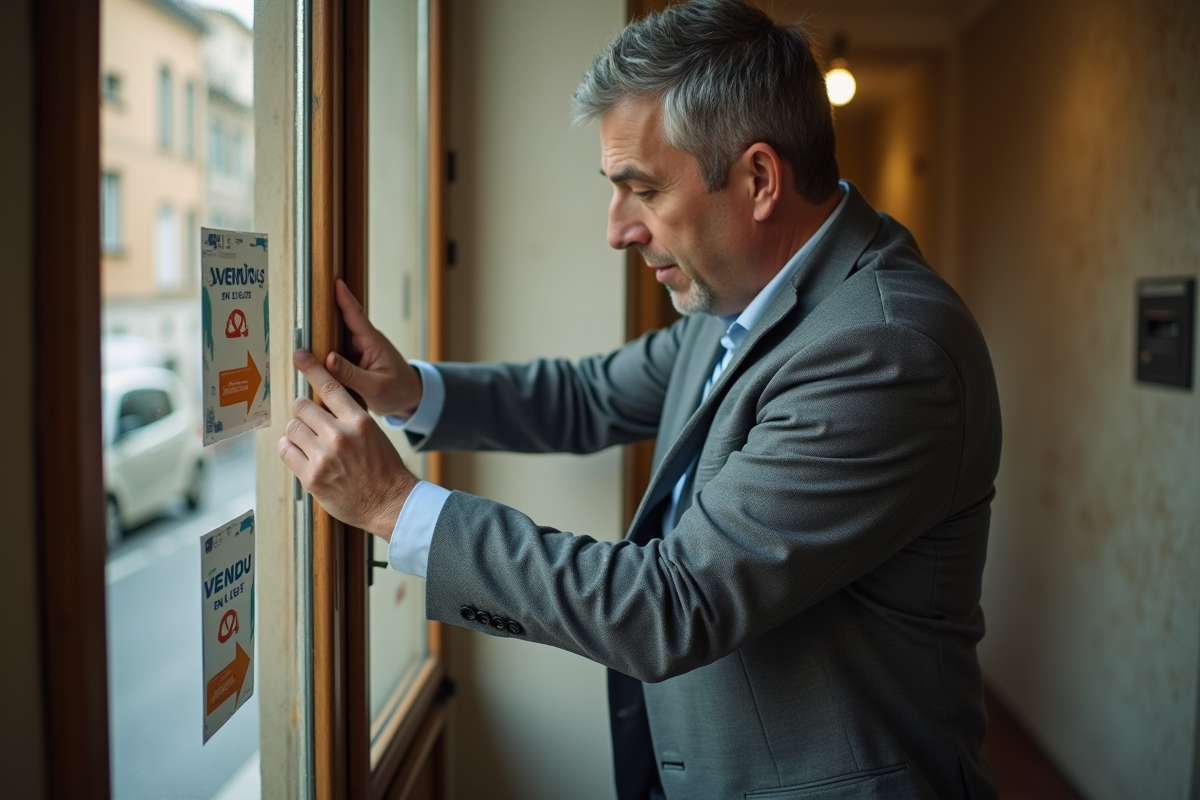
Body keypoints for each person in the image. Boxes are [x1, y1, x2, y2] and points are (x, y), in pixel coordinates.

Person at [278, 1, 1003, 798]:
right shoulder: (743, 293)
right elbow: (589, 396)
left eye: (643, 190)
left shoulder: (886, 351)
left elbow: (674, 603)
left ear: (759, 178)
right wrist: (410, 389)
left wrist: (393, 505)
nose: (618, 229)